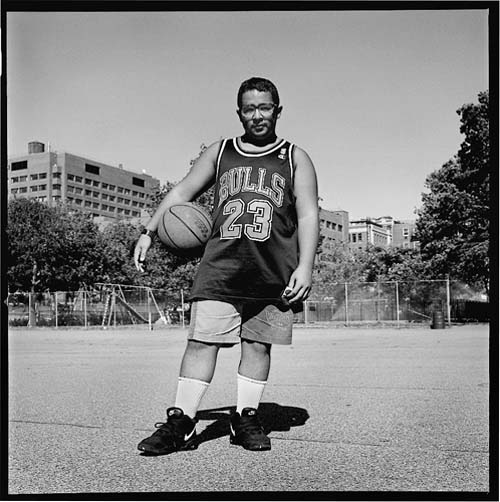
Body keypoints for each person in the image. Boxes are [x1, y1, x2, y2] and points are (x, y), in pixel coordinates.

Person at [133, 76, 319, 454]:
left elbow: (308, 214)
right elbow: (182, 191)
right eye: (249, 109)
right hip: (221, 266)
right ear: (239, 113)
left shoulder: (295, 157)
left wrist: (306, 266)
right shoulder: (221, 152)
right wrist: (149, 231)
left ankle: (244, 417)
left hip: (274, 270)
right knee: (202, 342)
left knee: (258, 346)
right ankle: (183, 421)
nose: (257, 115)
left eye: (264, 107)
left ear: (278, 110)